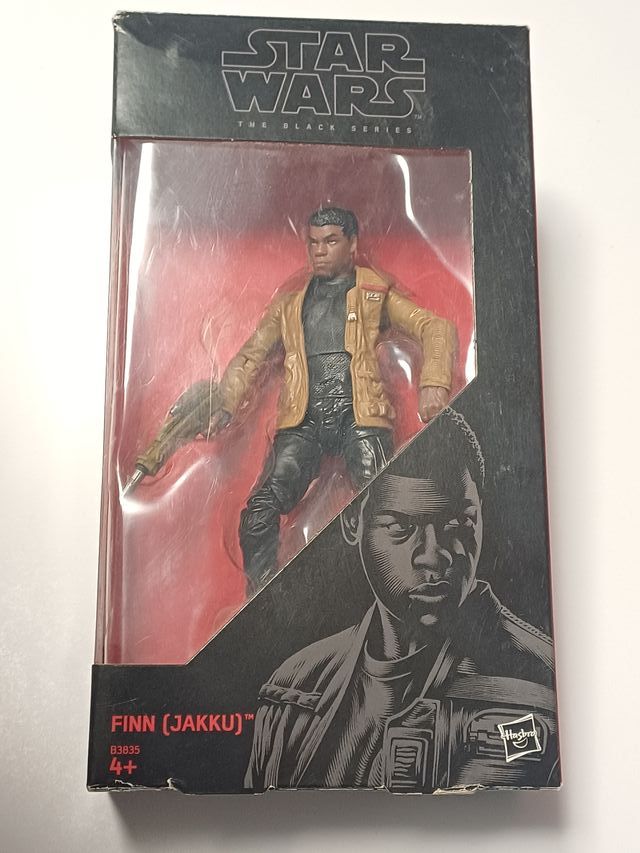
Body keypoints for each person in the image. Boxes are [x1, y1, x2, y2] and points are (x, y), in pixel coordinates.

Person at [244, 409, 559, 793]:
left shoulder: (534, 684)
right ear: (353, 522)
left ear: (481, 516)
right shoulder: (293, 689)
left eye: (458, 524)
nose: (433, 556)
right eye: (401, 527)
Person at [214, 207, 456, 589]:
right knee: (258, 513)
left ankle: (394, 591)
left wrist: (434, 385)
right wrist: (227, 403)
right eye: (313, 242)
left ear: (352, 244)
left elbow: (435, 327)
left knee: (386, 507)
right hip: (303, 421)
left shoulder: (374, 292)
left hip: (360, 415)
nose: (320, 251)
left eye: (330, 241)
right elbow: (251, 356)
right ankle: (261, 601)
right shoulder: (289, 305)